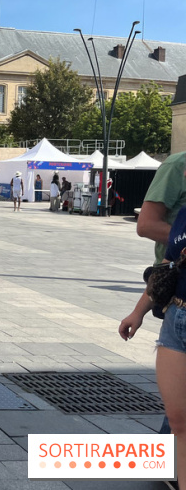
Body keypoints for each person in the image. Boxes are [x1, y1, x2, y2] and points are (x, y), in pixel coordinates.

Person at [119, 195, 186, 485]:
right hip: (176, 321)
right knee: (179, 424)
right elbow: (167, 267)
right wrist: (138, 312)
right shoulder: (184, 214)